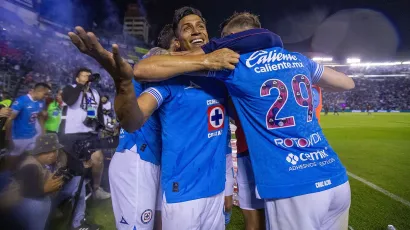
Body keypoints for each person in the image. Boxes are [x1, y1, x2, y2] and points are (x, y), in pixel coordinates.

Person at [134, 11, 355, 230]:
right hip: (335, 177)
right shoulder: (298, 59)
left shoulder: (238, 66)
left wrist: (204, 58)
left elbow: (143, 69)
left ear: (233, 37)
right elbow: (346, 83)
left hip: (294, 183)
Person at [68, 7, 240, 230]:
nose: (196, 32)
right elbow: (134, 109)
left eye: (200, 27)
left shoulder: (216, 78)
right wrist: (123, 83)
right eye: (187, 29)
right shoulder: (161, 65)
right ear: (176, 43)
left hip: (173, 168)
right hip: (139, 157)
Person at [108, 24, 176, 230]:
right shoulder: (153, 62)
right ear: (174, 44)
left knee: (158, 222)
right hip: (137, 158)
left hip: (152, 157)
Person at [13, 133, 99, 230]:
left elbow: (79, 168)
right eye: (47, 151)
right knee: (38, 205)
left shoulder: (62, 155)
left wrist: (83, 166)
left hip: (55, 193)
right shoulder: (30, 165)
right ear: (38, 152)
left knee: (78, 181)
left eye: (54, 150)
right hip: (35, 200)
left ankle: (78, 223)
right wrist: (44, 190)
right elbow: (25, 193)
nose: (52, 154)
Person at [60, 68, 110, 200]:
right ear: (77, 79)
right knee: (68, 164)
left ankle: (96, 189)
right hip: (71, 133)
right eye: (84, 76)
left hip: (89, 133)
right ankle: (63, 192)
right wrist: (81, 87)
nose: (88, 77)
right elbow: (70, 101)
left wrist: (99, 125)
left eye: (90, 75)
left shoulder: (95, 93)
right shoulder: (69, 88)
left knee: (98, 158)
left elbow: (99, 113)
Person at [5, 83, 50, 157]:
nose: (46, 96)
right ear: (38, 91)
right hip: (19, 137)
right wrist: (8, 138)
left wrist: (43, 132)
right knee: (12, 159)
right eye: (45, 94)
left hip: (33, 135)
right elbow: (10, 119)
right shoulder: (21, 101)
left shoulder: (42, 102)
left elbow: (39, 117)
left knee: (29, 158)